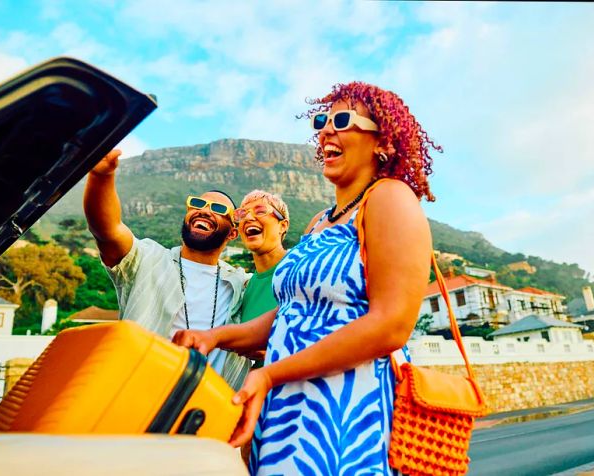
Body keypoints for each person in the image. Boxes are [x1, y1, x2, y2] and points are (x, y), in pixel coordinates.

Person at [172, 82, 437, 475]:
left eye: (342, 120)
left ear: (383, 141)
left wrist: (271, 373)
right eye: (322, 121)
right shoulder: (319, 223)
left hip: (347, 409)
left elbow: (392, 325)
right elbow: (290, 315)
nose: (326, 130)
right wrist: (217, 338)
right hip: (286, 408)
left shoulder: (390, 197)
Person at [83, 149, 251, 390]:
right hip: (135, 397)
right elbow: (107, 230)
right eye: (198, 203)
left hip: (208, 414)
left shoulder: (240, 284)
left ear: (233, 233)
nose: (204, 210)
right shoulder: (147, 258)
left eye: (218, 209)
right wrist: (101, 176)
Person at [235, 190, 290, 367]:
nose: (249, 218)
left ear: (283, 226)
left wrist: (274, 353)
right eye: (243, 214)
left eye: (260, 211)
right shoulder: (245, 286)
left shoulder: (301, 270)